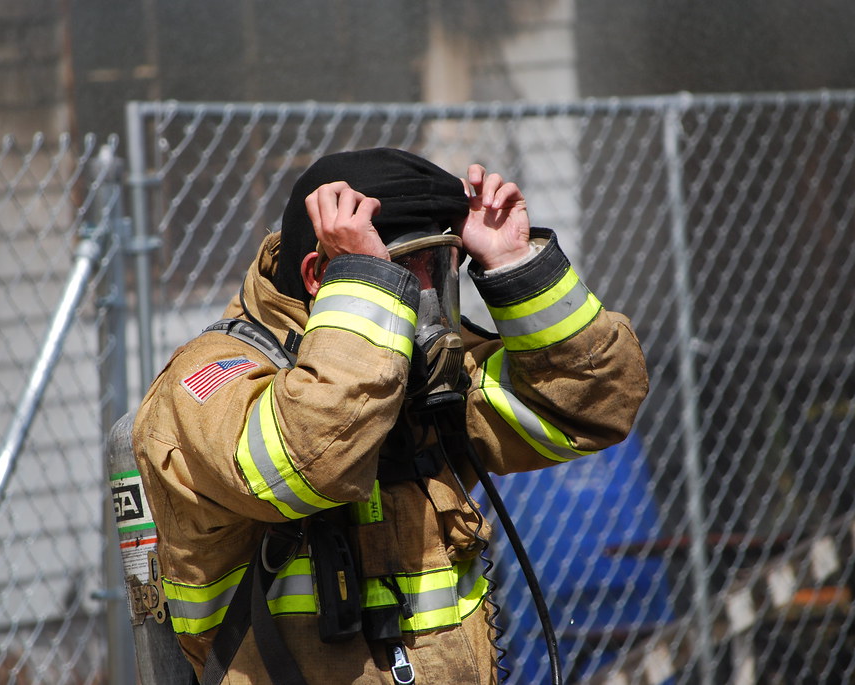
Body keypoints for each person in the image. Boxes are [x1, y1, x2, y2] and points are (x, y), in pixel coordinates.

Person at [132, 147, 648, 684]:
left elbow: (592, 404)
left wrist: (515, 265)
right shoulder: (210, 379)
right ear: (320, 275)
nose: (425, 297)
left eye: (439, 269)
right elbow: (311, 458)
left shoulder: (419, 372)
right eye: (404, 271)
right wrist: (365, 286)